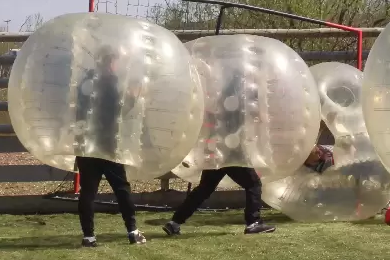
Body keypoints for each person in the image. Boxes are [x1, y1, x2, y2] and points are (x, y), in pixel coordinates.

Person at [161, 71, 275, 236]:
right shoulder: (241, 101)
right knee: (253, 184)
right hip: (231, 150)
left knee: (205, 188)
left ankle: (174, 222)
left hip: (216, 148)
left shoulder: (225, 99)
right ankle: (253, 222)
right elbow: (251, 120)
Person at [74, 47, 147, 247]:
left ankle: (88, 237)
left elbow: (78, 108)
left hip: (86, 143)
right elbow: (120, 110)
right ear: (110, 61)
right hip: (107, 143)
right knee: (121, 188)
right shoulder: (112, 81)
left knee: (87, 191)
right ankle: (132, 231)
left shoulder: (86, 80)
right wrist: (134, 96)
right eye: (116, 60)